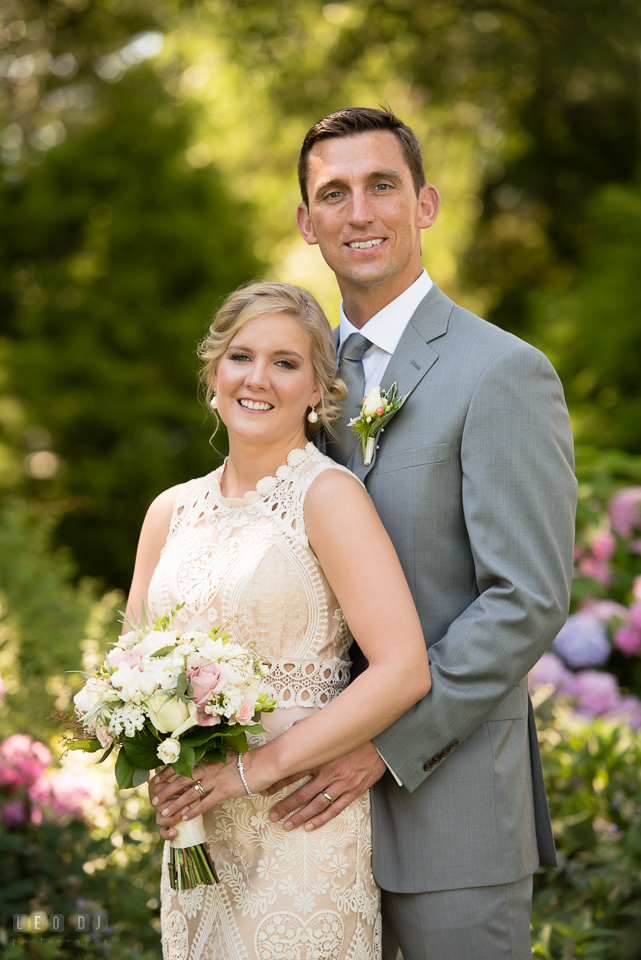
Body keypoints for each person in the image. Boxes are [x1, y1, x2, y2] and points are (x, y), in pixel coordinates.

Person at [263, 107, 578, 959]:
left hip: (452, 815)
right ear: (306, 221)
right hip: (304, 830)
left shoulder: (502, 372)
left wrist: (381, 743)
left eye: (380, 187)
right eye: (333, 193)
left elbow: (525, 599)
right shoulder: (294, 383)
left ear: (424, 204)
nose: (357, 212)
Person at [129, 281, 431, 959]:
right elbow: (128, 671)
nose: (257, 378)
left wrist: (249, 771)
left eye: (285, 363)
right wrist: (154, 760)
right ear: (213, 372)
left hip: (300, 820)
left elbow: (403, 670)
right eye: (240, 356)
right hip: (197, 830)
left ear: (317, 390)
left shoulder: (329, 497)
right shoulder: (167, 512)